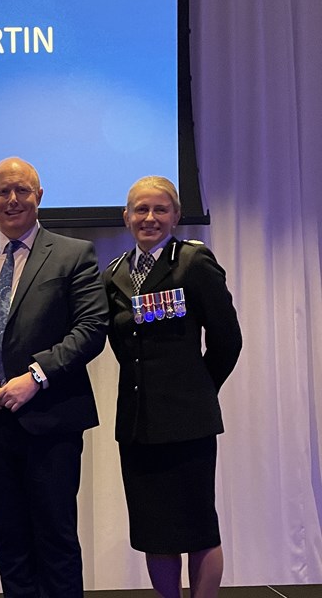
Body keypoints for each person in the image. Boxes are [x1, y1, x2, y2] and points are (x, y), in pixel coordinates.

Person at [0, 156, 109, 597]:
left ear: (39, 196)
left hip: (51, 420)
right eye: (3, 192)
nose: (12, 200)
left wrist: (36, 376)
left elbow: (91, 328)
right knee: (9, 543)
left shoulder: (74, 253)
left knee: (55, 541)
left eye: (23, 190)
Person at [102, 176, 242, 598]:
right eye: (140, 210)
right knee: (154, 531)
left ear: (176, 216)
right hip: (138, 425)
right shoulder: (113, 275)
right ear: (126, 217)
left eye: (160, 209)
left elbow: (227, 340)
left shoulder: (193, 263)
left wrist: (197, 389)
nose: (150, 218)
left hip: (188, 422)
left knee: (198, 526)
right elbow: (119, 346)